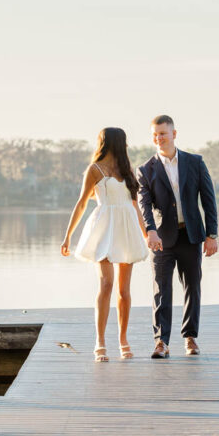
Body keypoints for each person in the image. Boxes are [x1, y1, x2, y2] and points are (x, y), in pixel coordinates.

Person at [61, 127, 148, 361]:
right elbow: (81, 203)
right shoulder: (94, 169)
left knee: (124, 290)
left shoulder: (127, 170)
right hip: (103, 228)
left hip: (126, 228)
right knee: (106, 284)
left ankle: (123, 340)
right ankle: (100, 342)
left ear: (107, 142)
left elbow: (135, 206)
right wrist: (68, 235)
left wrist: (147, 234)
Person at [137, 115, 218, 359]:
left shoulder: (195, 162)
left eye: (163, 133)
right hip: (161, 239)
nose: (159, 138)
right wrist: (150, 230)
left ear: (174, 134)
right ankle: (161, 341)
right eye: (155, 134)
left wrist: (211, 234)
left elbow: (208, 199)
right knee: (161, 290)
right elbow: (144, 204)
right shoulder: (145, 170)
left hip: (191, 235)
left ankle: (190, 337)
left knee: (192, 286)